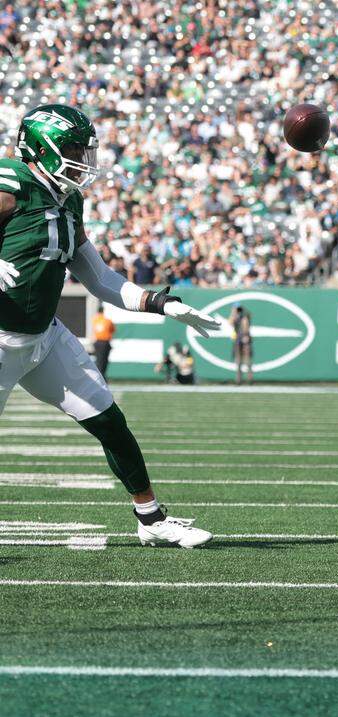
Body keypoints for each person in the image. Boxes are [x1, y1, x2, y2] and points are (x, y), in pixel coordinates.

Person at [0, 104, 218, 547]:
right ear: (42, 148)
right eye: (73, 148)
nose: (83, 158)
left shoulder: (68, 199)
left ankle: (151, 518)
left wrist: (160, 303)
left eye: (84, 148)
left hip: (43, 335)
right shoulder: (12, 183)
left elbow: (98, 277)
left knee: (110, 421)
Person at [230, 304, 252, 385]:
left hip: (244, 340)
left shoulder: (245, 316)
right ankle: (239, 380)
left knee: (247, 360)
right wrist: (233, 312)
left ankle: (249, 379)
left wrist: (245, 336)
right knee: (238, 360)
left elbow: (246, 325)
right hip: (238, 340)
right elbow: (231, 322)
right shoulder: (236, 317)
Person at [91, 304, 114, 377]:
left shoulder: (95, 320)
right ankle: (102, 377)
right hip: (105, 343)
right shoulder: (107, 321)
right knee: (104, 362)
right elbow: (112, 330)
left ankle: (99, 376)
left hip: (97, 342)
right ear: (103, 311)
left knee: (98, 361)